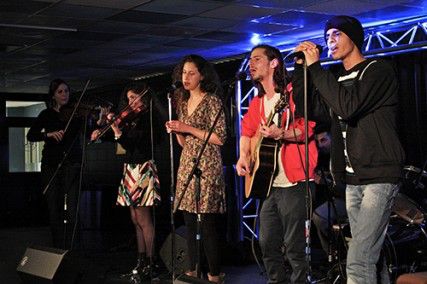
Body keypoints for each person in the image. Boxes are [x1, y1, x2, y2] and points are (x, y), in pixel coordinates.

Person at [292, 15, 405, 284]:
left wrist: (317, 68)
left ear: (353, 37)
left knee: (358, 260)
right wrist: (302, 70)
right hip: (353, 180)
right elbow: (311, 109)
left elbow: (348, 107)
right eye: (327, 36)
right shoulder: (337, 78)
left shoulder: (377, 71)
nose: (329, 41)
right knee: (370, 260)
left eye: (336, 34)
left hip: (379, 175)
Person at [235, 44, 318, 284]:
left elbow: (307, 129)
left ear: (274, 63)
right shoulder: (257, 103)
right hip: (269, 184)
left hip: (296, 181)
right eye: (250, 59)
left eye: (257, 59)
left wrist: (281, 133)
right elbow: (247, 132)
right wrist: (243, 156)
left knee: (295, 247)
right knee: (267, 243)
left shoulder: (293, 93)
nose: (251, 64)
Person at [165, 54, 227, 284]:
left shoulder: (212, 101)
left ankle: (214, 274)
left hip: (207, 165)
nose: (186, 77)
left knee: (207, 223)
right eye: (183, 73)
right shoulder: (181, 103)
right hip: (187, 164)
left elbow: (219, 137)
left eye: (191, 73)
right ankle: (192, 270)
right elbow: (185, 142)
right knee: (189, 221)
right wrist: (178, 130)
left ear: (202, 76)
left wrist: (187, 127)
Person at [91, 83, 161, 280]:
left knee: (144, 218)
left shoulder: (148, 118)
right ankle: (140, 259)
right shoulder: (131, 118)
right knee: (134, 218)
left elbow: (133, 142)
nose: (131, 102)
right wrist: (101, 130)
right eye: (129, 98)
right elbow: (120, 141)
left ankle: (151, 260)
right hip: (130, 168)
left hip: (143, 167)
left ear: (144, 98)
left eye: (135, 97)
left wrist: (117, 130)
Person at [27, 78, 86, 250]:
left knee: (74, 211)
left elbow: (89, 133)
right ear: (53, 95)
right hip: (52, 165)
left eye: (66, 91)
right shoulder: (46, 115)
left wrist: (100, 120)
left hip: (73, 164)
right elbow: (31, 135)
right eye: (60, 92)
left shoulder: (77, 114)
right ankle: (58, 248)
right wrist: (49, 134)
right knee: (55, 210)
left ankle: (74, 250)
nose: (64, 94)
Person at [311, 128, 347, 259]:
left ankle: (336, 254)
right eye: (318, 142)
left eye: (324, 140)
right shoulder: (322, 157)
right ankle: (331, 255)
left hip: (350, 198)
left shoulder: (343, 153)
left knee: (320, 216)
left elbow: (344, 186)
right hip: (337, 198)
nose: (321, 145)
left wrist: (328, 182)